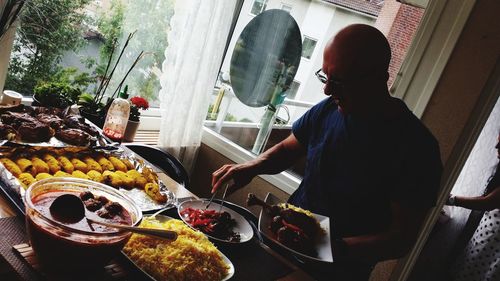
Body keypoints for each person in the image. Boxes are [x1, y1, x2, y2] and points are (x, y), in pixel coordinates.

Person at [212, 24, 443, 280]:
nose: (327, 90)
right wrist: (252, 167)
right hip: (281, 246)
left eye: (340, 81)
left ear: (379, 78)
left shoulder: (418, 148)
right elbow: (287, 150)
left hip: (336, 271)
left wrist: (328, 247)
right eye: (325, 77)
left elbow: (401, 238)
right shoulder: (330, 108)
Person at [448, 135, 500, 281]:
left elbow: (488, 202)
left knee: (480, 270)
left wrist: (452, 200)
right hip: (490, 232)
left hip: (495, 239)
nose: (496, 147)